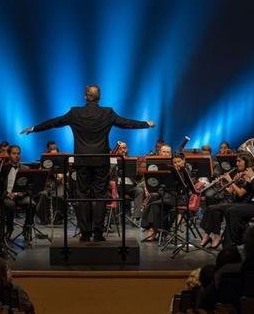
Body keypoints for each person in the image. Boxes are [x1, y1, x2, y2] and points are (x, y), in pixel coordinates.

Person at [21, 85, 154, 241]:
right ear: (99, 97)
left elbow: (55, 122)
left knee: (83, 197)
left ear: (85, 96)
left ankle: (85, 233)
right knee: (100, 197)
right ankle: (98, 233)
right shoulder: (107, 112)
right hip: (101, 161)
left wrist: (34, 128)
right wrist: (146, 123)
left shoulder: (75, 113)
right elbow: (126, 123)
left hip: (82, 161)